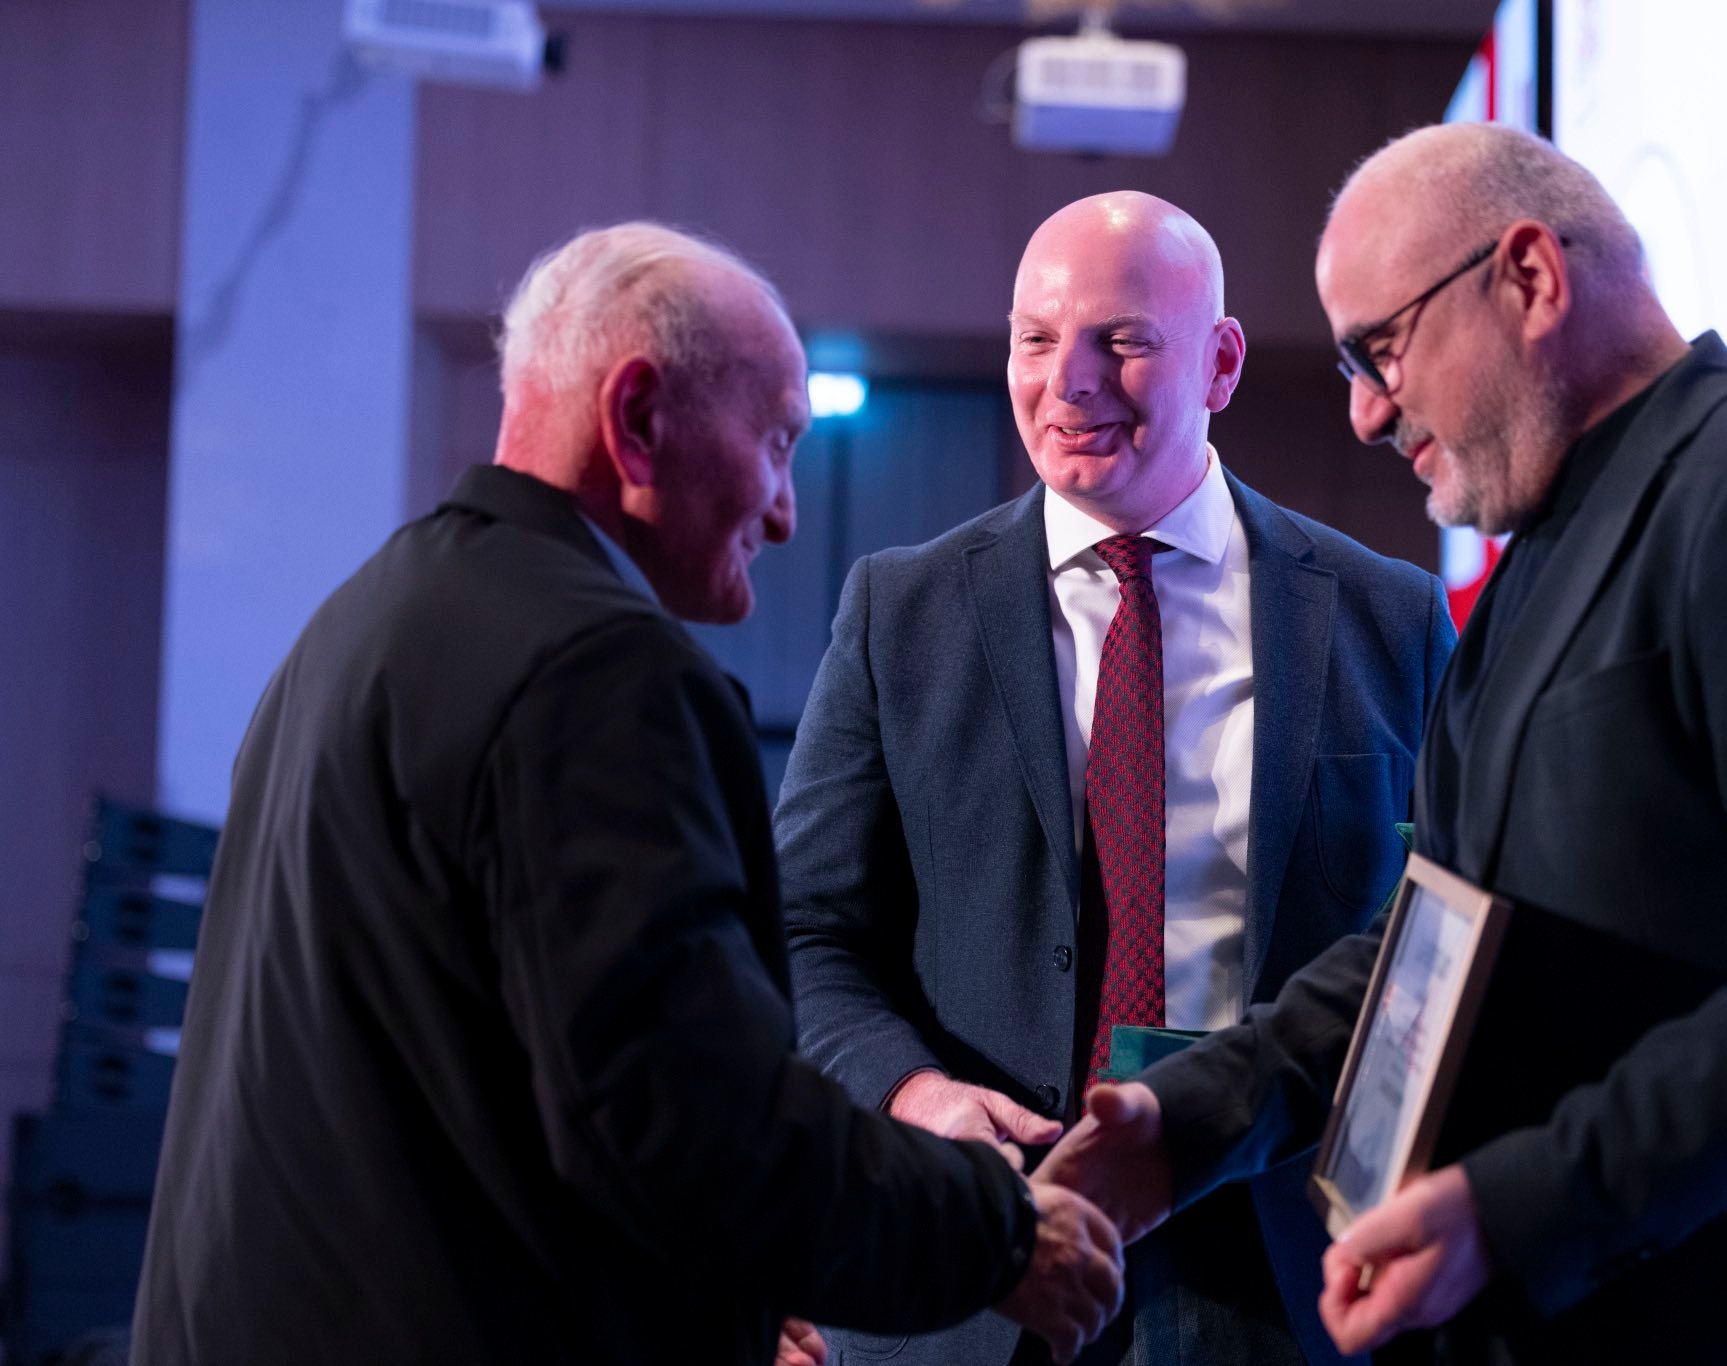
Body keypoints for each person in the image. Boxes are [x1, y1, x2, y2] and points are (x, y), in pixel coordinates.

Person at [1039, 124, 1727, 1364]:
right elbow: (1436, 946)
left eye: (1380, 349)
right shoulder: (1534, 561)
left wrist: (1520, 1201)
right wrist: (1191, 1118)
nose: (1363, 411)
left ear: (1527, 276)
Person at [130, 222, 1124, 1366]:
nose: (785, 512)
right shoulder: (597, 671)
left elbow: (493, 1108)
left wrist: (724, 1304)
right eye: (776, 443)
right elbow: (687, 1123)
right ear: (639, 419)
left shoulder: (357, 626)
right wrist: (998, 1234)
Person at [776, 191, 1453, 1366]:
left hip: (1278, 1274)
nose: (1067, 381)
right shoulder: (900, 612)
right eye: (1035, 340)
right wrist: (915, 1095)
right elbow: (801, 930)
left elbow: (1434, 938)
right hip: (972, 1262)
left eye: (1121, 341)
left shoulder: (1385, 614)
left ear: (1221, 362)